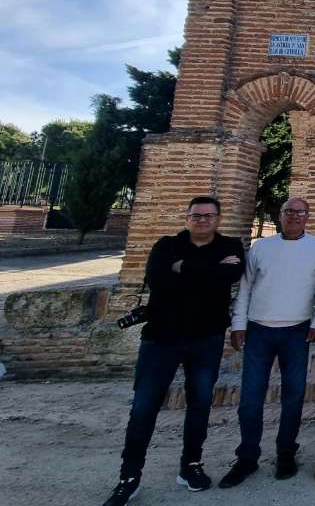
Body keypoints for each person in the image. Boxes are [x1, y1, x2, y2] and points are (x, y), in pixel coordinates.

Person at [101, 196, 244, 506]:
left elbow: (229, 276)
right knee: (143, 408)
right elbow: (158, 280)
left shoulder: (230, 246)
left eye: (208, 215)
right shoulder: (166, 245)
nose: (202, 220)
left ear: (218, 218)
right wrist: (209, 270)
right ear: (187, 216)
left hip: (206, 339)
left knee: (200, 404)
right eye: (197, 215)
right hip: (161, 338)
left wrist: (183, 269)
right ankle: (129, 476)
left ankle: (191, 465)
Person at [218, 197, 315, 488]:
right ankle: (247, 456)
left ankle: (285, 453)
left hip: (298, 330)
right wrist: (238, 323)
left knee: (293, 397)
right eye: (288, 212)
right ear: (280, 216)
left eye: (300, 212)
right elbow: (246, 286)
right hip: (258, 330)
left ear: (308, 216)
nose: (294, 216)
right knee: (250, 399)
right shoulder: (261, 247)